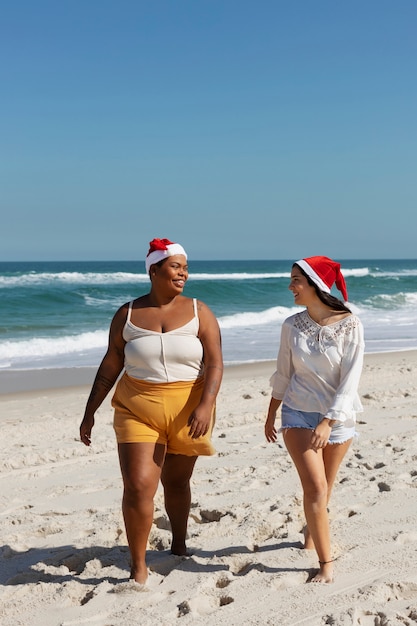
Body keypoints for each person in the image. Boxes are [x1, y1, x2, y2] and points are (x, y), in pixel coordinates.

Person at [80, 238, 223, 586]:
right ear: (154, 269)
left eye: (185, 268)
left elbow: (216, 363)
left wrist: (205, 405)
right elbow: (111, 364)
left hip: (188, 410)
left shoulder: (198, 311)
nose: (183, 273)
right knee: (139, 485)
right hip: (136, 409)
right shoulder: (127, 314)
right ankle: (139, 566)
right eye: (176, 266)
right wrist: (90, 411)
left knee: (176, 482)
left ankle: (178, 543)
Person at [264, 256, 364, 583]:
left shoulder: (351, 325)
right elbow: (283, 374)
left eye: (296, 280)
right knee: (317, 489)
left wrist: (329, 422)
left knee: (324, 490)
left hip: (338, 419)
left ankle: (311, 529)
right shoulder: (291, 326)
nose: (290, 286)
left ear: (315, 285)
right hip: (297, 413)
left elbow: (350, 380)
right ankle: (326, 564)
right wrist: (271, 413)